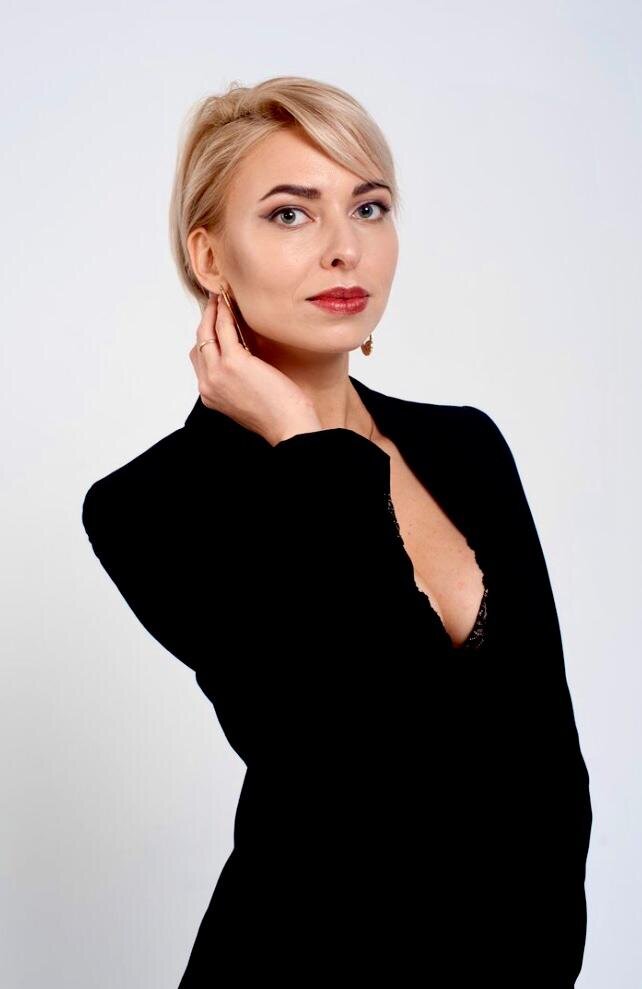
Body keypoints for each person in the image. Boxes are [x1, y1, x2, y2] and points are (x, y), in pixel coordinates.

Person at [81, 76, 592, 986]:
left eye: (369, 206)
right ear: (209, 255)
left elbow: (551, 775)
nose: (344, 247)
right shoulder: (153, 506)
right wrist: (308, 445)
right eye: (290, 213)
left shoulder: (465, 446)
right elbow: (376, 759)